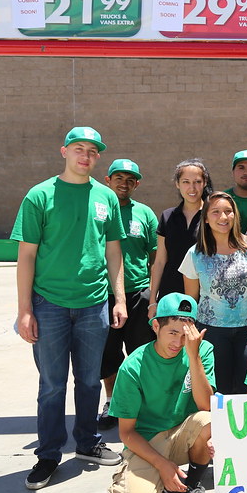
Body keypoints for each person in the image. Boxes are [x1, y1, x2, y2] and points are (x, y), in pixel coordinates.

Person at [12, 126, 126, 491]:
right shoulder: (39, 195)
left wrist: (119, 298)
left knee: (90, 380)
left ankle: (87, 442)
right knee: (52, 384)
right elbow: (26, 256)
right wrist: (25, 310)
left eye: (92, 151)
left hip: (94, 304)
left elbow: (113, 252)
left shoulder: (106, 197)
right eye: (79, 149)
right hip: (49, 304)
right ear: (64, 151)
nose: (86, 156)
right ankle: (48, 455)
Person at [107, 292, 216, 493]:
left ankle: (192, 484)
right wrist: (161, 464)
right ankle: (136, 476)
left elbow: (206, 406)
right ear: (156, 326)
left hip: (183, 434)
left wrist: (193, 357)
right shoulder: (133, 366)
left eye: (185, 335)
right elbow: (126, 433)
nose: (178, 342)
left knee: (209, 420)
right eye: (172, 333)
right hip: (148, 441)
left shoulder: (201, 350)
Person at [180, 191, 247, 394]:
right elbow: (191, 299)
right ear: (205, 218)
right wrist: (190, 334)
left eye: (228, 211)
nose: (223, 217)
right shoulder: (195, 254)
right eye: (216, 212)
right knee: (219, 390)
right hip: (211, 331)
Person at [98, 159, 158, 431]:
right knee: (108, 354)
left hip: (139, 294)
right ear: (108, 180)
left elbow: (156, 256)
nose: (124, 183)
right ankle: (111, 402)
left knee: (141, 353)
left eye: (130, 179)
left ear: (137, 184)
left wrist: (153, 293)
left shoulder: (144, 214)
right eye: (119, 178)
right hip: (104, 294)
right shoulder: (99, 211)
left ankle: (140, 404)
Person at [148, 158, 212, 318]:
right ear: (177, 184)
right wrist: (152, 300)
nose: (192, 188)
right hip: (170, 293)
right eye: (186, 182)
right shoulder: (167, 216)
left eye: (197, 182)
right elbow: (160, 261)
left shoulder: (212, 215)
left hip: (204, 295)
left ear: (205, 183)